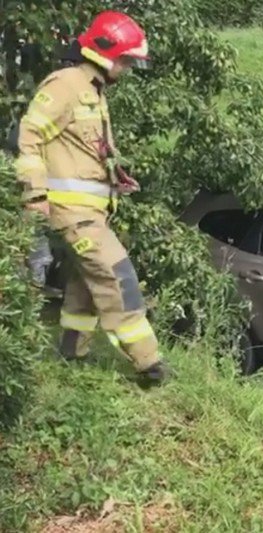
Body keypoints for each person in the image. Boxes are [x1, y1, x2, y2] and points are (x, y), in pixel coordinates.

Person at [14, 11, 168, 385]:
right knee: (118, 278)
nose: (128, 67)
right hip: (72, 212)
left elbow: (81, 151)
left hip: (93, 210)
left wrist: (115, 177)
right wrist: (35, 195)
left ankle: (72, 351)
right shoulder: (65, 84)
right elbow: (29, 137)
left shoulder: (93, 90)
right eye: (126, 60)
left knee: (85, 285)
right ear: (105, 52)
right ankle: (150, 366)